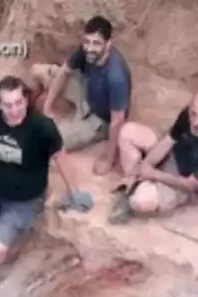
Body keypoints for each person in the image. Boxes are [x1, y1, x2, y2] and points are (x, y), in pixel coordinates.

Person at [0, 75, 89, 297]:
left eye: (19, 102)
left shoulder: (42, 127)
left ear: (26, 99)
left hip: (23, 199)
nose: (15, 109)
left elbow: (61, 157)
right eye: (8, 105)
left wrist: (75, 192)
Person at [109, 87, 198, 224]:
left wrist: (154, 174)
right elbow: (169, 140)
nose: (195, 122)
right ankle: (135, 180)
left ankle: (134, 191)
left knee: (140, 201)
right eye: (193, 114)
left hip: (183, 179)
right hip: (173, 155)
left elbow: (190, 186)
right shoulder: (187, 115)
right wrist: (147, 164)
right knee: (127, 132)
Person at [29, 15, 132, 176]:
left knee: (47, 139)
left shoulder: (116, 76)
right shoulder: (86, 51)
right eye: (87, 41)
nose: (90, 48)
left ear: (108, 44)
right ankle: (32, 104)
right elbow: (64, 72)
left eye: (96, 43)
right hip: (87, 89)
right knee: (37, 71)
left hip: (99, 120)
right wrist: (48, 107)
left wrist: (109, 160)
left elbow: (117, 121)